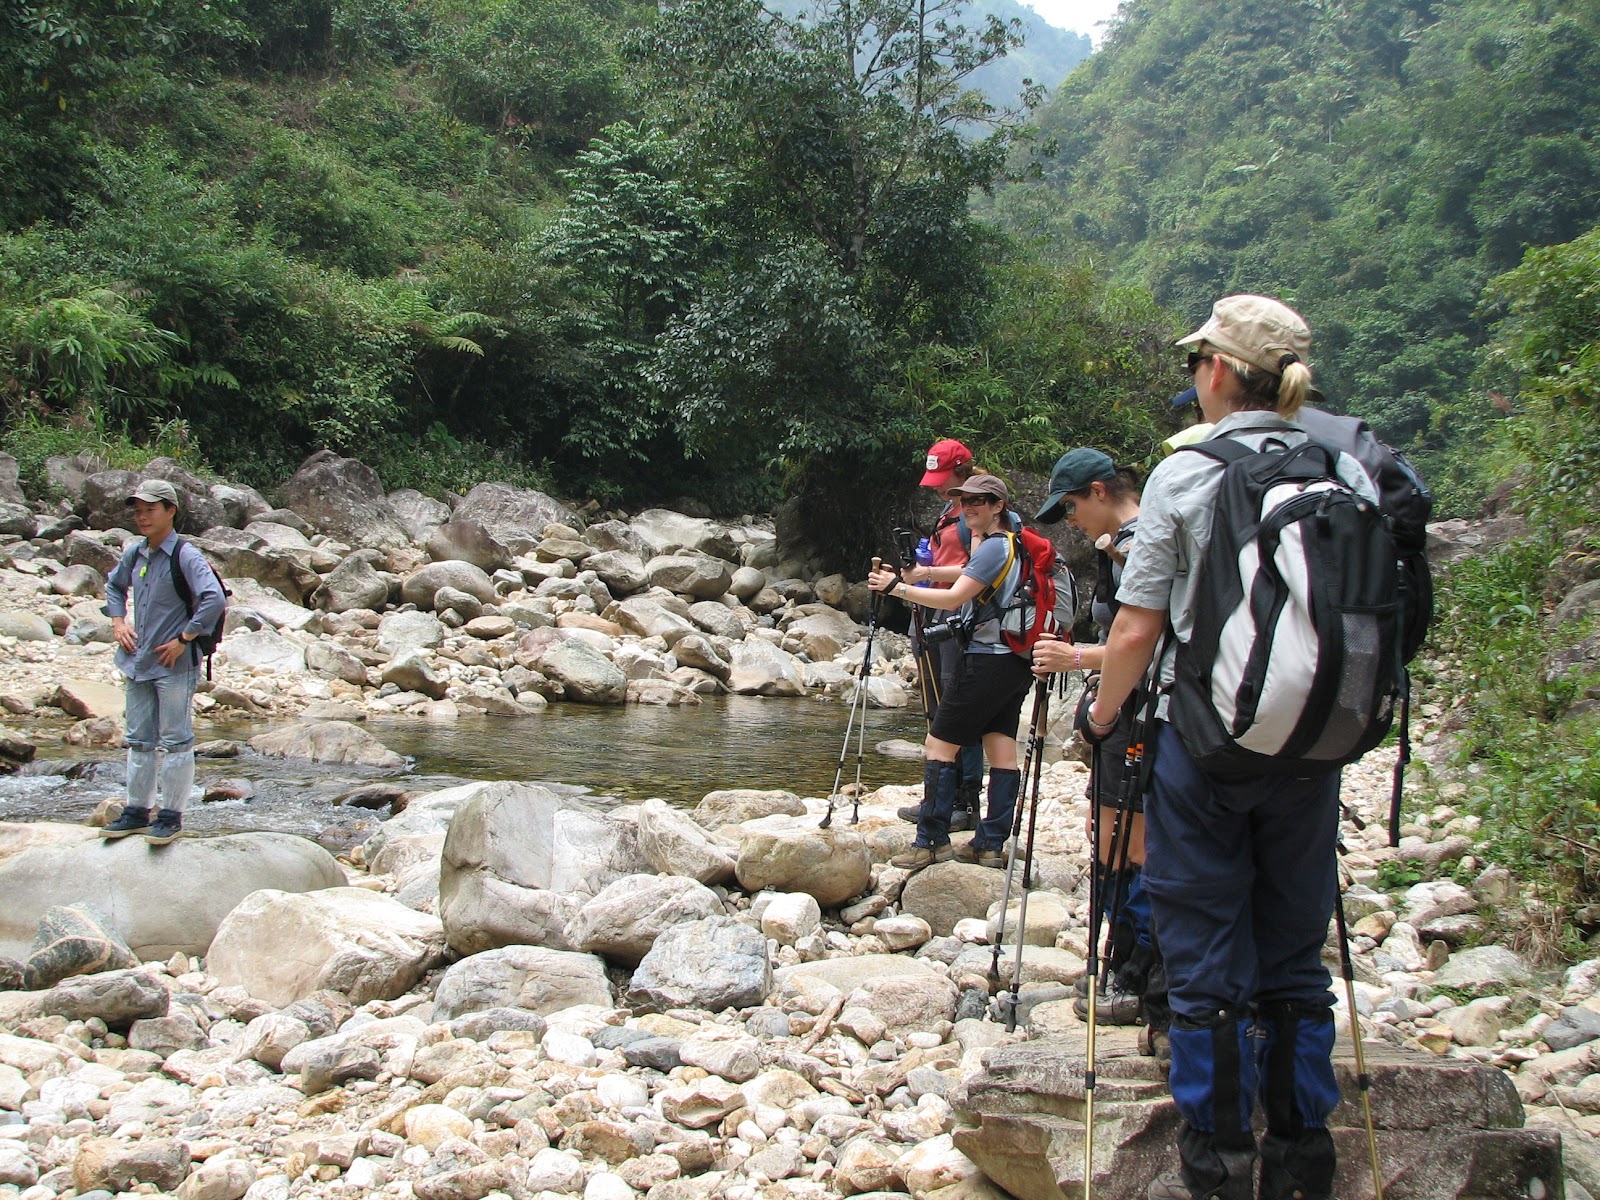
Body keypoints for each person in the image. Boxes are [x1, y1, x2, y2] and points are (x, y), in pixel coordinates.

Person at [1083, 296, 1375, 1200]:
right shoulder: (1347, 470)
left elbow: (1135, 633)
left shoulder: (1185, 476)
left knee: (1203, 953)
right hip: (1313, 746)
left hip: (1201, 746)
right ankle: (1301, 1151)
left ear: (1216, 370)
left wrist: (1099, 719)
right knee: (1293, 954)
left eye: (1195, 362)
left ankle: (1218, 1155)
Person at [1030, 449, 1169, 1050]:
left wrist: (1076, 663)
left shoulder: (1144, 544)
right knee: (1110, 835)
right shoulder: (1134, 542)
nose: (1071, 522)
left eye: (1071, 507)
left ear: (1098, 490)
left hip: (1137, 712)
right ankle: (1130, 966)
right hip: (1138, 708)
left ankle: (1136, 972)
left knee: (1125, 843)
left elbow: (1147, 642)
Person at [869, 474, 1033, 870]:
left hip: (985, 661)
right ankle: (990, 843)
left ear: (998, 506)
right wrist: (924, 574)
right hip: (1013, 661)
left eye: (980, 501)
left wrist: (896, 589)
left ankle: (930, 841)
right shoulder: (1013, 543)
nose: (970, 507)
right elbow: (966, 572)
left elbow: (958, 596)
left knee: (939, 745)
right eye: (965, 501)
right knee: (1001, 748)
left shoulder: (995, 545)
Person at [99, 479, 226, 845]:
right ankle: (136, 811)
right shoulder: (136, 553)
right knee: (139, 739)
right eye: (138, 511)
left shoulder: (185, 555)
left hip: (175, 664)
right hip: (137, 661)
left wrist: (185, 637)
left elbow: (213, 599)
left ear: (171, 511)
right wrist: (118, 621)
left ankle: (170, 816)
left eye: (150, 509)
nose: (142, 517)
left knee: (176, 740)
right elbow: (113, 586)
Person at [895, 438, 1003, 833]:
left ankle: (964, 801)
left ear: (964, 470)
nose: (939, 487)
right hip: (934, 609)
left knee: (955, 707)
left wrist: (921, 578)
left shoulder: (979, 513)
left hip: (959, 616)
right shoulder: (950, 509)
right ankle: (938, 797)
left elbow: (978, 569)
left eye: (944, 478)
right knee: (936, 706)